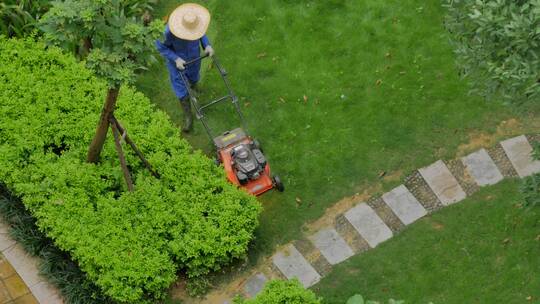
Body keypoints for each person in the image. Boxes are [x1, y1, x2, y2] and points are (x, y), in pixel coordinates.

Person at [155, 3, 215, 132]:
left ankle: (194, 87)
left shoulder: (195, 22)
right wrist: (175, 58)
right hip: (178, 62)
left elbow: (201, 34)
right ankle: (188, 116)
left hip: (194, 57)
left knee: (194, 76)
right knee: (181, 88)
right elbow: (160, 46)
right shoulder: (168, 31)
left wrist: (207, 45)